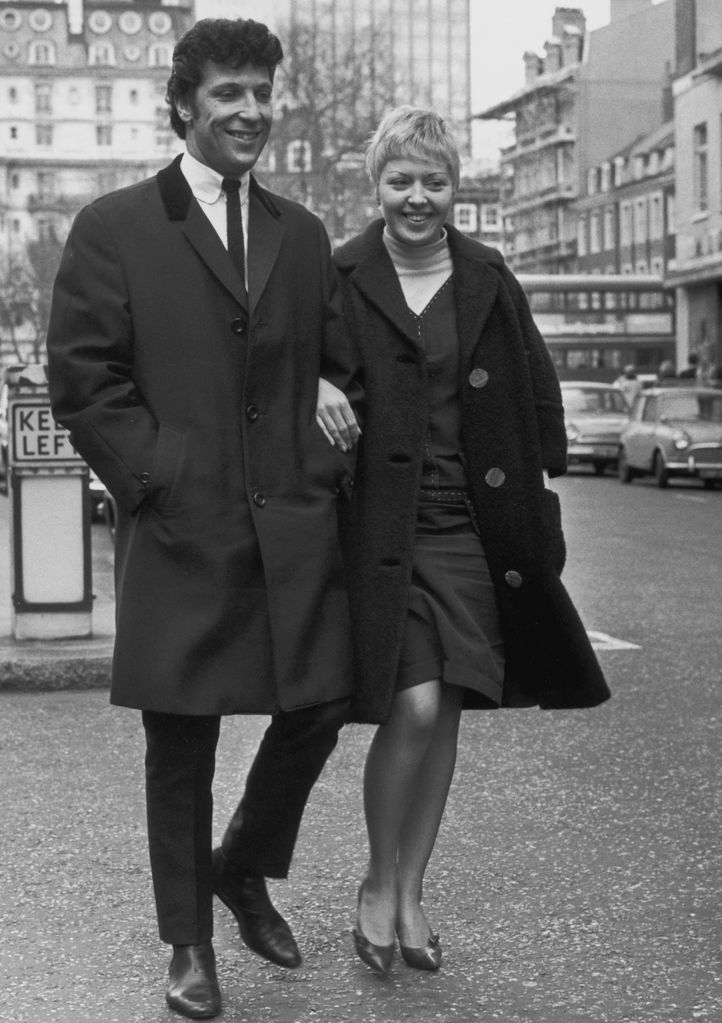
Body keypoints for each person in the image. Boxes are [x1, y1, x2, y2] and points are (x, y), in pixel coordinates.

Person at [46, 19, 360, 1020]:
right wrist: (160, 480)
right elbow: (83, 384)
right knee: (178, 739)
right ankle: (188, 943)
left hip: (291, 527)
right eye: (230, 93)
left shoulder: (301, 234)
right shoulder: (115, 227)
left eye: (262, 92)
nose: (251, 111)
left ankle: (240, 864)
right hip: (182, 525)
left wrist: (320, 382)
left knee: (318, 702)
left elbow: (337, 357)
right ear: (183, 103)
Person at [316, 107, 610, 976]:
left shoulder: (488, 274)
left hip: (476, 533)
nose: (417, 198)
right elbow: (289, 363)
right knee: (409, 703)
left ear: (455, 190)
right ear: (376, 185)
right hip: (384, 533)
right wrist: (313, 391)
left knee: (447, 712)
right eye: (400, 180)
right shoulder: (338, 273)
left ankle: (413, 894)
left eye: (434, 181)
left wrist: (540, 486)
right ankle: (377, 879)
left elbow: (534, 383)